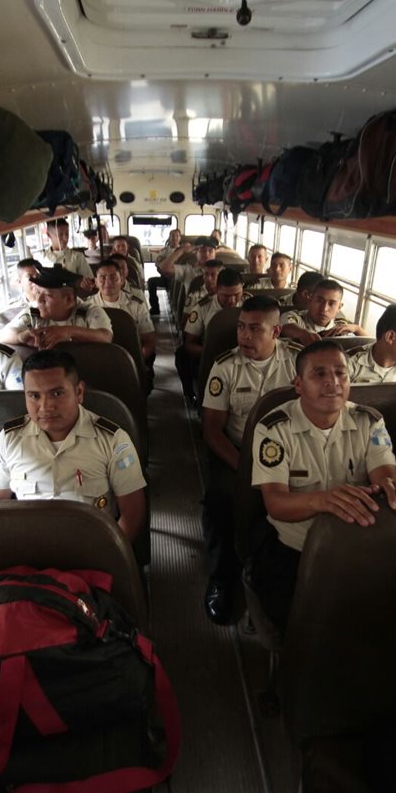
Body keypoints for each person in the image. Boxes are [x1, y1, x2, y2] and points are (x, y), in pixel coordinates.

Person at [248, 341, 396, 628]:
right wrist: (321, 500)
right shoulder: (274, 428)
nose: (333, 382)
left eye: (341, 373)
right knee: (296, 624)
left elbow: (385, 477)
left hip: (356, 544)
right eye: (319, 374)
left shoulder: (369, 422)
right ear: (299, 385)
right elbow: (276, 503)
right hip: (293, 546)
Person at [199, 295, 300, 623]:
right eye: (241, 327)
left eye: (255, 328)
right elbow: (213, 430)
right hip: (237, 453)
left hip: (290, 455)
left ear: (276, 332)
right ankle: (221, 577)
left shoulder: (299, 363)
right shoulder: (224, 366)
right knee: (220, 500)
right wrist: (246, 468)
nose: (244, 335)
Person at [0, 350, 147, 542]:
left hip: (92, 551)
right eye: (34, 396)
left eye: (56, 393)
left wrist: (105, 556)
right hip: (28, 551)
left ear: (79, 392)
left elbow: (132, 515)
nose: (45, 406)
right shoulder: (8, 440)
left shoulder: (113, 440)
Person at [0, 265, 114, 349]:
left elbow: (105, 336)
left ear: (68, 299)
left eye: (47, 295)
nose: (39, 300)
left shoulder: (89, 312)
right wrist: (20, 336)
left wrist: (69, 331)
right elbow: (2, 336)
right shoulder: (33, 313)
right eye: (37, 293)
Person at [176, 266, 245, 402]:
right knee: (181, 354)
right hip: (209, 355)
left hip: (244, 353)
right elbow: (189, 342)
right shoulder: (202, 308)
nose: (232, 301)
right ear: (217, 289)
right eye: (226, 296)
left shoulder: (250, 305)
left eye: (237, 295)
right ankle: (191, 394)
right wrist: (208, 353)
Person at [87, 257, 156, 364]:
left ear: (122, 280)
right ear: (96, 281)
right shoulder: (87, 306)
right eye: (102, 278)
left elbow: (149, 341)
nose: (108, 282)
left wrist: (135, 363)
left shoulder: (136, 305)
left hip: (131, 358)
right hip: (97, 360)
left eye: (113, 277)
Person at [280, 278, 371, 343]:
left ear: (339, 307)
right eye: (319, 301)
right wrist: (304, 334)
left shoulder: (341, 326)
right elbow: (287, 327)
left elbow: (371, 345)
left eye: (331, 303)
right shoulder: (295, 316)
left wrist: (357, 328)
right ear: (311, 300)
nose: (324, 308)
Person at [0, 258, 41, 337]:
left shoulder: (55, 306)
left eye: (38, 276)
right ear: (19, 281)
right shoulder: (7, 313)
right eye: (30, 278)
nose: (36, 281)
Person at [45, 218, 93, 291]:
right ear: (49, 235)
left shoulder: (77, 257)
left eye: (67, 234)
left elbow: (90, 281)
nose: (65, 238)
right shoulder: (42, 257)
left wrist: (85, 285)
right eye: (60, 235)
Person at [148, 228, 181, 314]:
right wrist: (165, 273)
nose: (175, 238)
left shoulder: (183, 251)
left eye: (177, 236)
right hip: (165, 278)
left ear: (180, 238)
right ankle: (155, 308)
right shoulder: (164, 251)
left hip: (179, 279)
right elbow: (158, 266)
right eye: (172, 236)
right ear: (169, 238)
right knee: (151, 281)